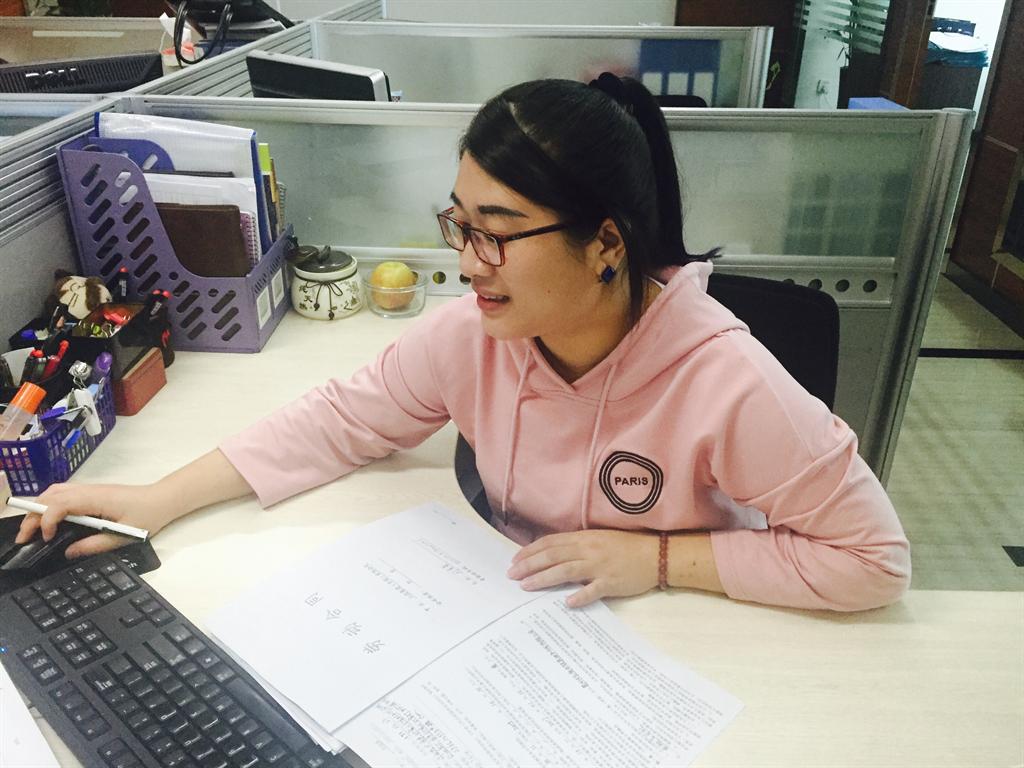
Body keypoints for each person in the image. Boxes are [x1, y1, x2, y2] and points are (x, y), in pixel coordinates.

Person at [17, 74, 910, 612]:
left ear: (606, 243)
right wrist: (158, 499)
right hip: (513, 613)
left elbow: (874, 562)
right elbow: (337, 421)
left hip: (681, 630)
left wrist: (663, 558)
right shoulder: (474, 335)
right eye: (461, 224)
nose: (470, 263)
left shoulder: (727, 381)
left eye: (501, 232)